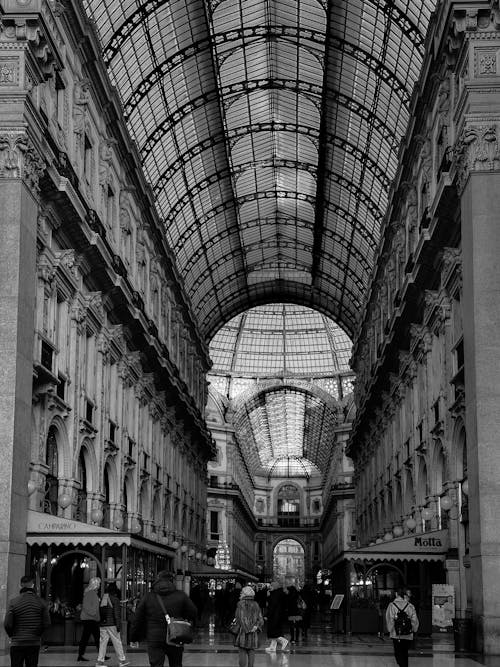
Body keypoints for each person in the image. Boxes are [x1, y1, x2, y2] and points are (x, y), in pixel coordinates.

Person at [129, 570, 197, 667]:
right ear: (172, 581)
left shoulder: (148, 596)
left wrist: (134, 637)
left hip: (154, 638)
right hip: (176, 635)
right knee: (176, 664)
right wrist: (182, 619)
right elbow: (193, 612)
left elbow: (137, 619)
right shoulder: (181, 595)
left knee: (156, 664)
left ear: (157, 580)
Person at [3, 574, 50, 667]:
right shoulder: (41, 602)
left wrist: (12, 635)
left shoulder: (13, 602)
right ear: (33, 585)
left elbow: (7, 624)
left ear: (20, 585)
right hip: (34, 642)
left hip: (17, 642)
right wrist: (38, 634)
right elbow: (47, 623)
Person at [96, 583, 129, 667]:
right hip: (112, 624)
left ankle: (100, 662)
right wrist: (118, 626)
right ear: (115, 591)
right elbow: (116, 614)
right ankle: (122, 661)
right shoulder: (115, 599)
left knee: (103, 643)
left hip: (103, 624)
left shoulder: (103, 598)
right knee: (117, 642)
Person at [386, 588, 419, 667]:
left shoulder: (392, 605)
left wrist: (390, 629)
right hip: (408, 633)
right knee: (405, 653)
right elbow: (414, 619)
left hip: (396, 634)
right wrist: (414, 629)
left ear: (397, 595)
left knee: (398, 652)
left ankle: (401, 664)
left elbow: (389, 618)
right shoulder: (410, 606)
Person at [232, 586, 263, 667]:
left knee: (242, 651)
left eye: (242, 592)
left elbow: (241, 618)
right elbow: (260, 619)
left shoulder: (241, 604)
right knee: (251, 651)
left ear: (245, 594)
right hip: (254, 632)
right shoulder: (256, 604)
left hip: (243, 632)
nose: (240, 593)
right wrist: (256, 626)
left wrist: (247, 629)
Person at [77, 577, 101, 662]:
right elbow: (86, 607)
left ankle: (80, 655)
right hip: (90, 619)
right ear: (95, 584)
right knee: (96, 637)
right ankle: (101, 655)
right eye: (98, 583)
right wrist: (94, 613)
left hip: (90, 619)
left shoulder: (91, 593)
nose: (99, 585)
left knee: (86, 637)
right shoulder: (91, 593)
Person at [264, 581, 289, 652]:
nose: (269, 587)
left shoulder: (275, 594)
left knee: (273, 632)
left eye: (271, 586)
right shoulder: (279, 593)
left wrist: (267, 615)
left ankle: (283, 641)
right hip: (278, 615)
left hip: (274, 616)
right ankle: (272, 647)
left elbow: (272, 606)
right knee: (275, 631)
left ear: (274, 586)